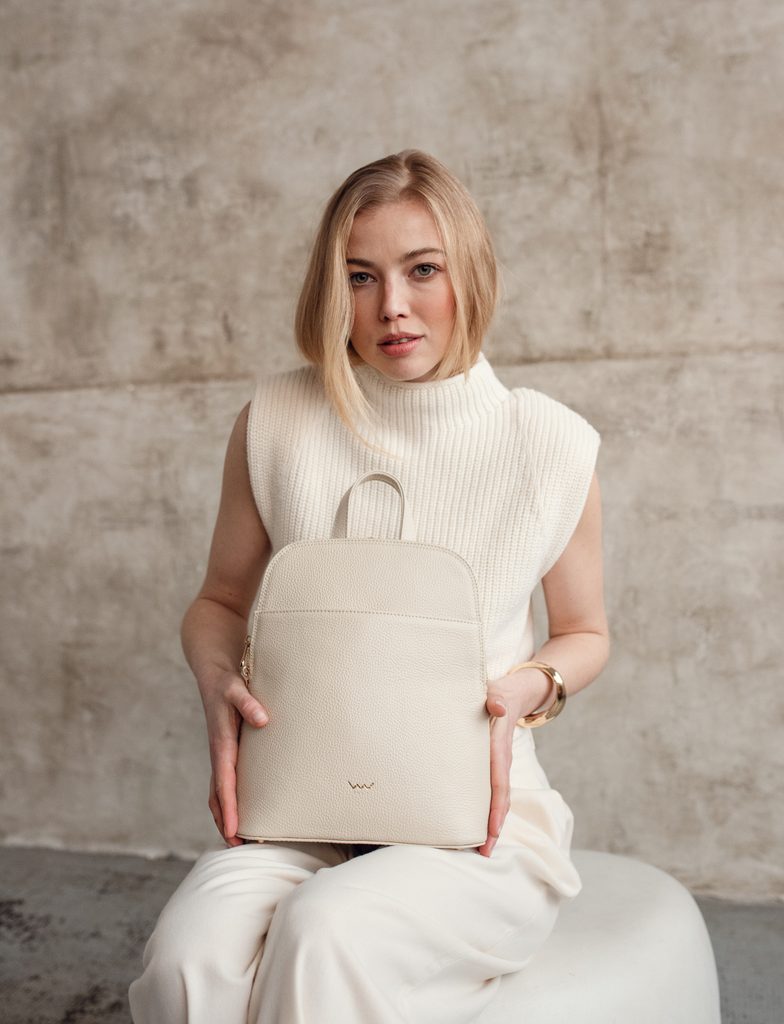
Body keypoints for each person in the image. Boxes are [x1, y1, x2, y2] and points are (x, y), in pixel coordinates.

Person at [128, 149, 610, 1023]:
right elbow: (219, 602)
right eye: (360, 277)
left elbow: (585, 632)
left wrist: (526, 690)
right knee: (186, 965)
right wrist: (217, 679)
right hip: (304, 809)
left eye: (422, 270)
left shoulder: (550, 443)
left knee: (327, 933)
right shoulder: (277, 420)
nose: (391, 305)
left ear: (469, 272)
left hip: (475, 822)